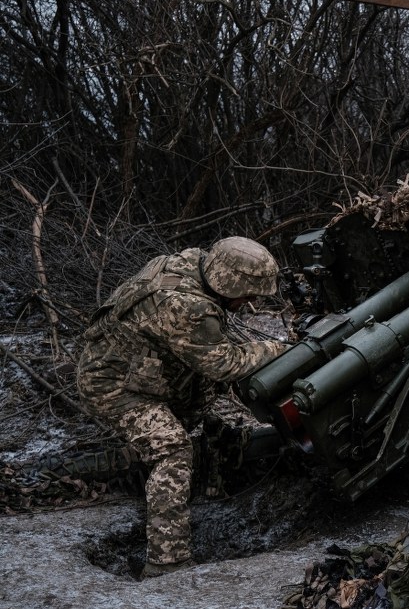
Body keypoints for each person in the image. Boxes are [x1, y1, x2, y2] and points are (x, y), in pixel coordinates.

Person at [77, 236, 288, 578]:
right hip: (115, 386)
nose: (248, 304)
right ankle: (166, 561)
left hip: (145, 371)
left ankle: (205, 475)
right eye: (247, 295)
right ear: (228, 283)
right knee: (173, 449)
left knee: (203, 403)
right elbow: (225, 363)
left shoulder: (192, 263)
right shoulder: (186, 306)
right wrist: (277, 349)